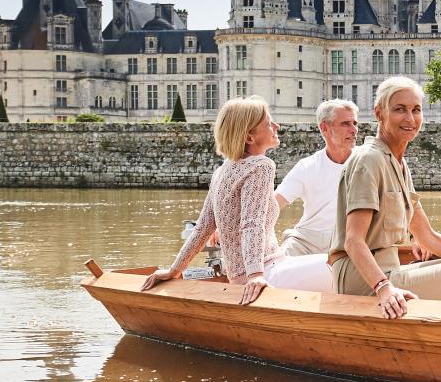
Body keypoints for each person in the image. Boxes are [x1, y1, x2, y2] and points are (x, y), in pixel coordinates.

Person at [329, 77, 441, 319]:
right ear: (379, 113)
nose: (410, 119)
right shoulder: (369, 160)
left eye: (416, 110)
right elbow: (353, 241)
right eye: (400, 109)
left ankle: (434, 334)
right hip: (362, 279)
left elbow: (427, 236)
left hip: (388, 270)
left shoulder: (399, 164)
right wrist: (384, 288)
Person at [142, 96, 332, 303]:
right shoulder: (261, 166)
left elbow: (203, 228)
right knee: (343, 263)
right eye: (268, 123)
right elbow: (252, 224)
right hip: (267, 272)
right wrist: (255, 275)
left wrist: (175, 269)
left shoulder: (222, 171)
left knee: (339, 261)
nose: (277, 126)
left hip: (252, 272)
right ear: (249, 137)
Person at [275, 99, 359, 256]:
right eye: (346, 124)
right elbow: (274, 203)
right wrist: (231, 227)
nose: (354, 129)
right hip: (306, 241)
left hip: (348, 242)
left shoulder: (367, 161)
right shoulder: (307, 166)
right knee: (276, 266)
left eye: (355, 123)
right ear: (325, 128)